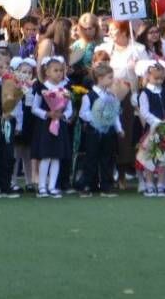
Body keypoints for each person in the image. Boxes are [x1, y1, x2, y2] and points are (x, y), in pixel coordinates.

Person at [31, 56, 73, 199]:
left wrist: (63, 115)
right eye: (55, 70)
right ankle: (42, 186)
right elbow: (34, 108)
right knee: (46, 156)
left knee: (57, 157)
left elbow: (70, 109)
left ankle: (52, 186)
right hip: (45, 126)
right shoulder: (41, 88)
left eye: (61, 70)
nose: (59, 73)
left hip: (59, 125)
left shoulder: (65, 89)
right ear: (47, 72)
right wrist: (47, 114)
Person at [78, 63, 123, 197]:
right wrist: (95, 118)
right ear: (100, 78)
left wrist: (119, 128)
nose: (112, 80)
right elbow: (82, 113)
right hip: (94, 132)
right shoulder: (88, 96)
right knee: (91, 158)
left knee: (107, 158)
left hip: (108, 132)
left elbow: (114, 114)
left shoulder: (111, 96)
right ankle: (88, 185)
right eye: (110, 77)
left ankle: (105, 186)